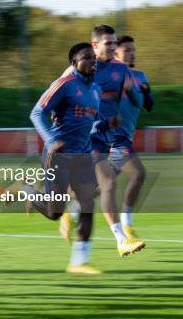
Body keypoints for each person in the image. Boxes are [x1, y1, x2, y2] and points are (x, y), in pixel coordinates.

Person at [29, 42, 106, 274]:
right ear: (74, 62)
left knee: (88, 204)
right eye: (87, 58)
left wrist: (104, 125)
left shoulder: (96, 90)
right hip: (58, 155)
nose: (93, 61)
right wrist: (51, 141)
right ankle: (30, 193)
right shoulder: (64, 84)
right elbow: (37, 112)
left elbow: (88, 123)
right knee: (55, 212)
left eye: (94, 58)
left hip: (82, 155)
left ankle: (79, 262)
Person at [77, 25, 145, 256]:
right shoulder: (82, 67)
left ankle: (27, 191)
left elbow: (137, 99)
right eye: (109, 43)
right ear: (95, 45)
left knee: (80, 194)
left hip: (108, 137)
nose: (114, 47)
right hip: (84, 137)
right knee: (108, 184)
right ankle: (121, 238)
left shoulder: (121, 70)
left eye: (115, 43)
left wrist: (138, 92)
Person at [110, 35, 154, 240]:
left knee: (95, 189)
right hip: (111, 137)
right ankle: (126, 226)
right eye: (127, 49)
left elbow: (148, 106)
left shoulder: (140, 75)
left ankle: (69, 212)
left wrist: (147, 94)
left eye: (133, 49)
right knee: (138, 174)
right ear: (116, 53)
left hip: (124, 136)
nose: (132, 53)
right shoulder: (108, 74)